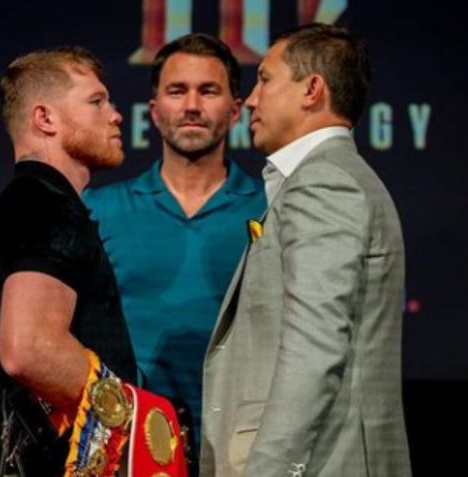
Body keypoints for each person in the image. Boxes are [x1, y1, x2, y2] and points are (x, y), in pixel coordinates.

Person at [200, 23, 411, 476]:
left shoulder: (325, 182)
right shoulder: (326, 178)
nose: (252, 99)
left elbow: (314, 347)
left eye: (265, 79)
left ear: (312, 90)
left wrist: (267, 471)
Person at [83, 33, 266, 461]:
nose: (191, 106)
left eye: (209, 91)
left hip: (247, 447)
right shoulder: (99, 208)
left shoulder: (275, 207)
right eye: (177, 90)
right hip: (128, 446)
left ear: (236, 110)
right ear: (154, 110)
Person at [0, 46, 141, 476]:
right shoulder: (45, 206)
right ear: (44, 119)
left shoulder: (32, 202)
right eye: (97, 101)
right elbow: (29, 349)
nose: (117, 115)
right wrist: (134, 421)